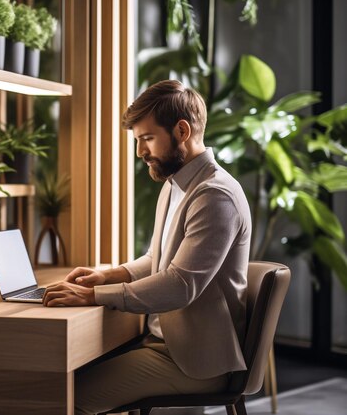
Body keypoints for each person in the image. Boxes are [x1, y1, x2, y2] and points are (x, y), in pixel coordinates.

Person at [43, 79, 252, 415]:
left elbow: (181, 285)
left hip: (192, 360)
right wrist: (107, 277)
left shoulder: (215, 195)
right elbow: (159, 260)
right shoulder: (176, 185)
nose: (141, 151)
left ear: (182, 131)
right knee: (56, 380)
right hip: (164, 344)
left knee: (65, 398)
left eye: (147, 139)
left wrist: (93, 297)